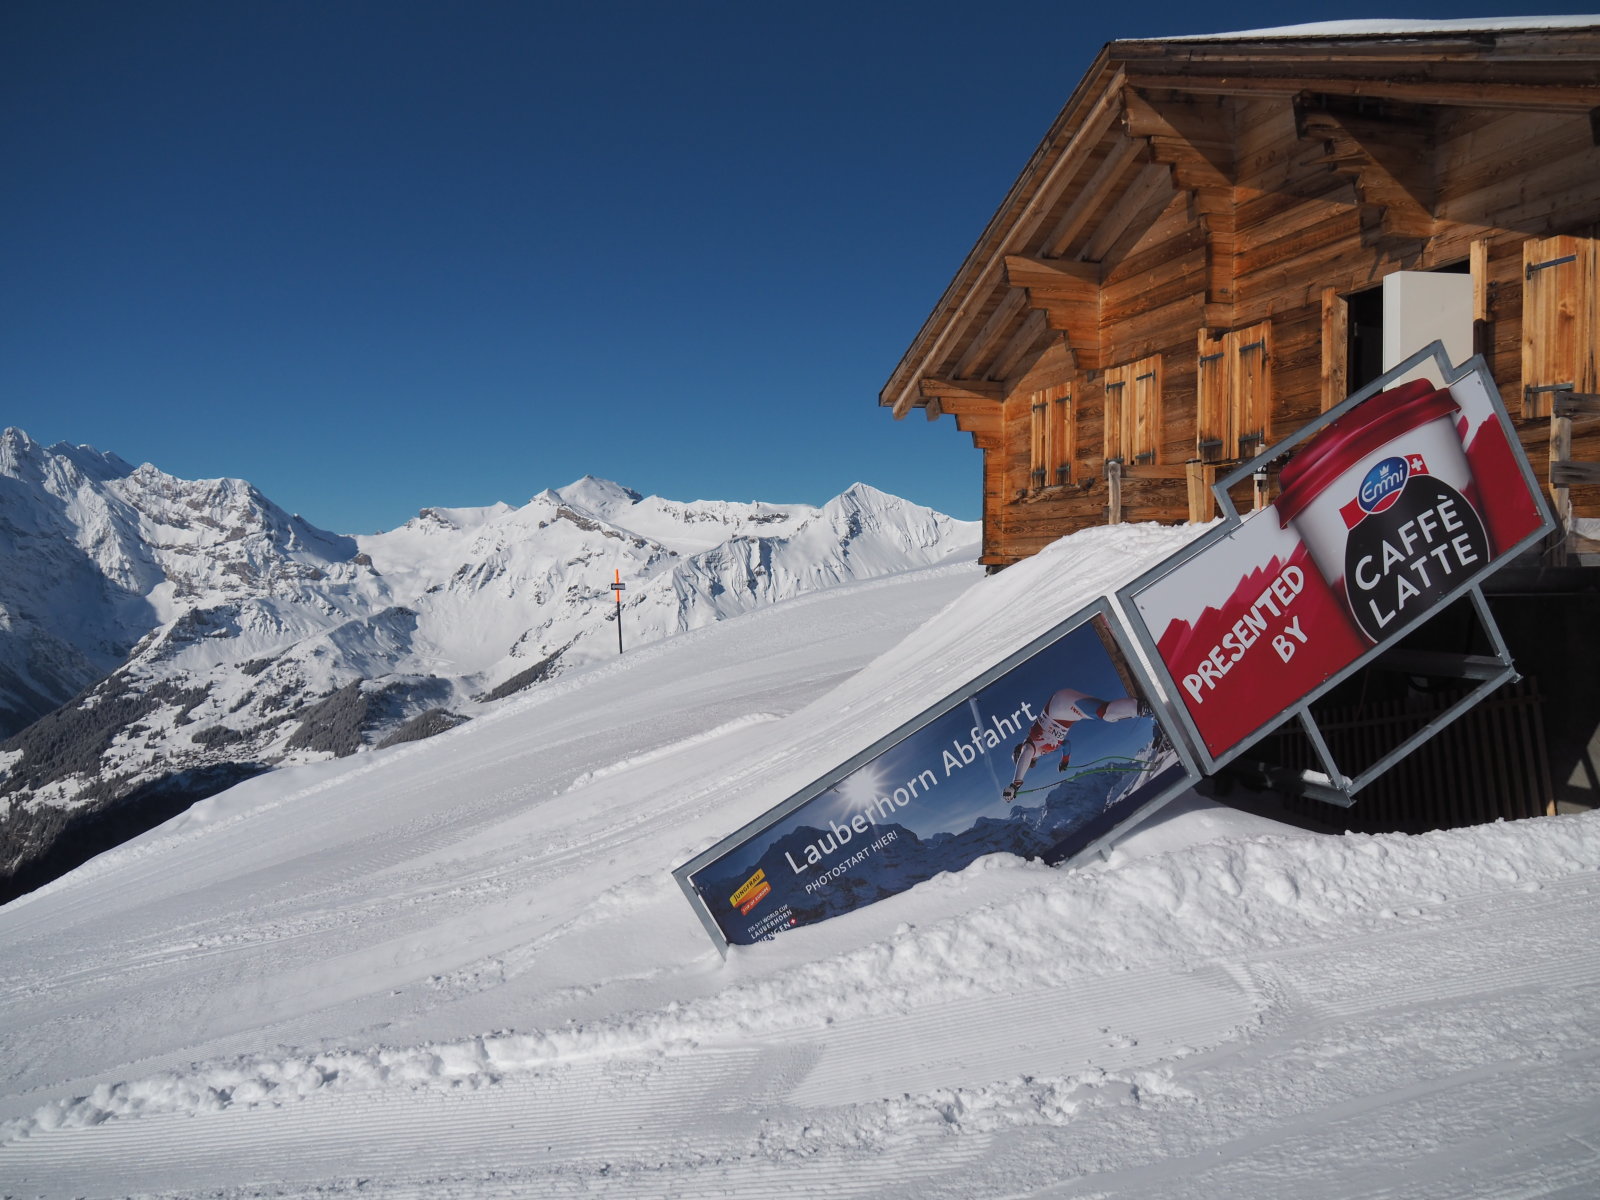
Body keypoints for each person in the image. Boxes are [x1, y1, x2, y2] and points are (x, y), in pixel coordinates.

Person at [1002, 688, 1141, 802]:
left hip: (1060, 707)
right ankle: (1142, 707)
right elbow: (1065, 744)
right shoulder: (1041, 748)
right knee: (1105, 711)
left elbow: (1025, 754)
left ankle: (1144, 708)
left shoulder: (1029, 745)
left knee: (1106, 714)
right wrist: (1064, 761)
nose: (1028, 763)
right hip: (1064, 707)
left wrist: (1015, 784)